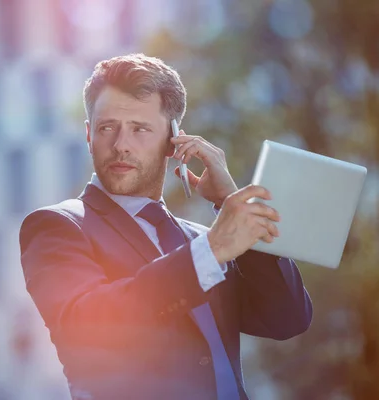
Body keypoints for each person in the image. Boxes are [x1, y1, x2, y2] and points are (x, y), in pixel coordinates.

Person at [19, 53, 312, 400]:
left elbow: (287, 319)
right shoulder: (57, 226)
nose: (120, 145)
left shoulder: (199, 239)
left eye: (140, 129)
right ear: (88, 133)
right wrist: (213, 250)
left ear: (174, 140)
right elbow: (87, 327)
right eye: (106, 127)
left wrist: (233, 205)